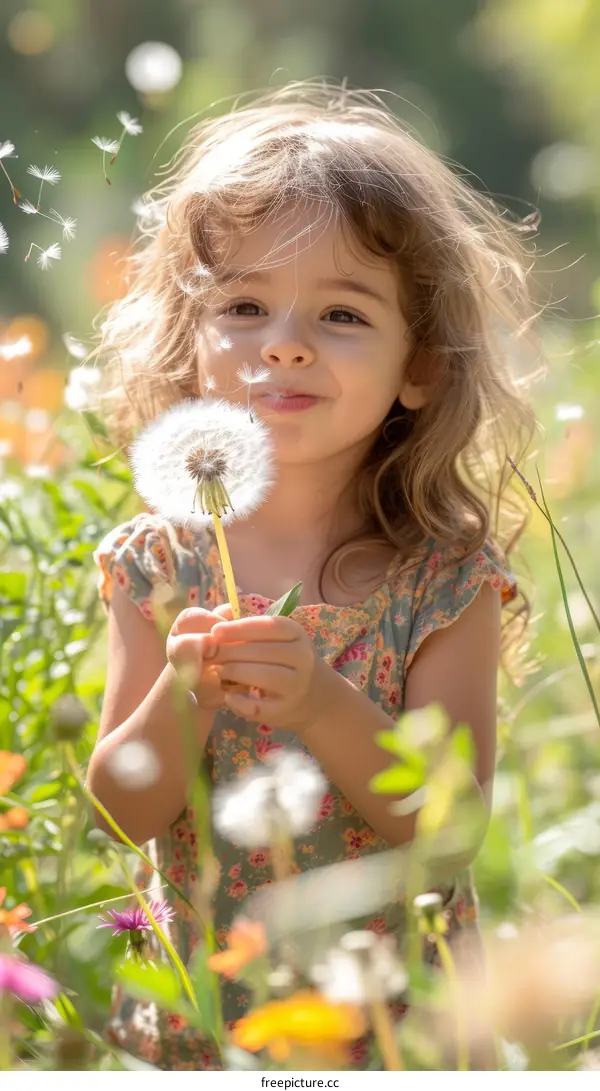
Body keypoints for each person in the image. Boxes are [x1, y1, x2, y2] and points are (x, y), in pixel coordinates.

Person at [86, 79, 536, 1070]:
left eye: (340, 312)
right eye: (244, 303)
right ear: (189, 340)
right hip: (212, 1017)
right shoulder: (161, 566)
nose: (283, 340)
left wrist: (322, 700)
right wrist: (185, 691)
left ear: (421, 365)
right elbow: (124, 810)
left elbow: (452, 828)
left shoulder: (442, 580)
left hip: (393, 1023)